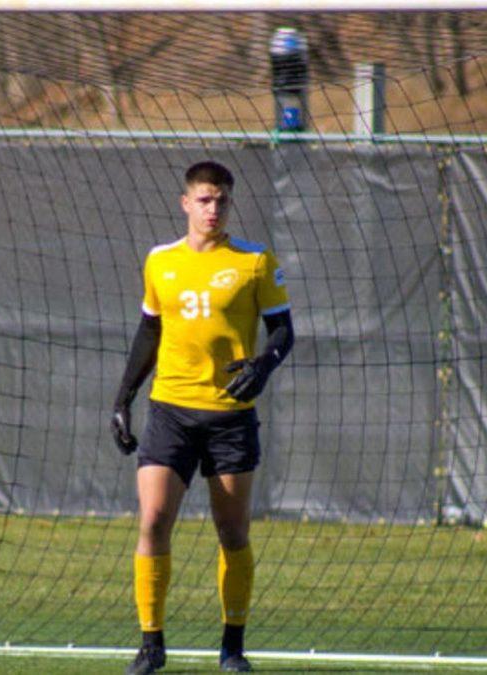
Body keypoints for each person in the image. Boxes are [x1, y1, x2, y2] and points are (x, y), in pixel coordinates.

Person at [111, 161, 294, 674]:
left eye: (222, 201)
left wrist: (263, 366)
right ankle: (151, 646)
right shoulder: (160, 261)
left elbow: (284, 332)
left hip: (230, 418)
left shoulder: (254, 261)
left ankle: (232, 648)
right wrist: (124, 398)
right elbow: (150, 331)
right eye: (205, 200)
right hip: (170, 411)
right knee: (152, 521)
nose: (214, 209)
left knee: (232, 533)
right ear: (186, 203)